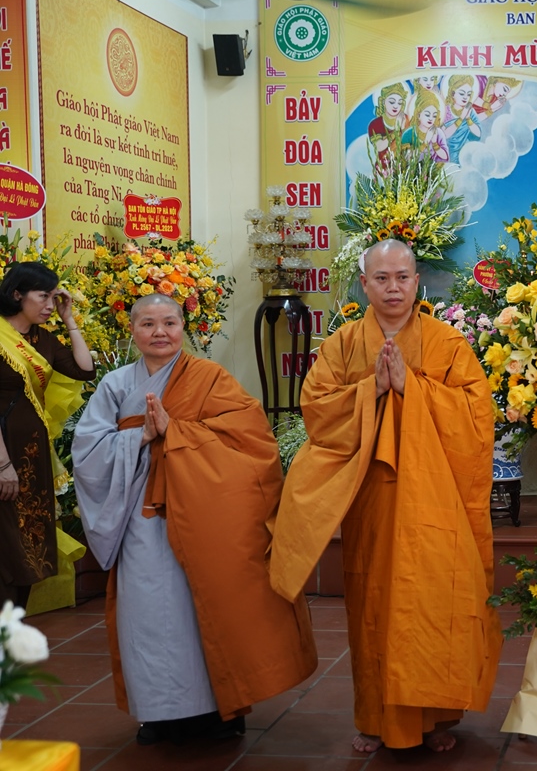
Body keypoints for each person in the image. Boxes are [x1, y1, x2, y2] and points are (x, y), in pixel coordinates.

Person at [268, 240, 501, 755]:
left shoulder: (446, 343)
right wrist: (369, 390)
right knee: (374, 605)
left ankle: (438, 718)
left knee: (436, 600)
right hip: (373, 495)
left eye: (401, 277)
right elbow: (316, 409)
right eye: (381, 278)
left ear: (417, 282)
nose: (392, 288)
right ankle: (375, 719)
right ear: (364, 284)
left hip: (436, 497)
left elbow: (476, 414)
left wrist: (413, 388)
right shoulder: (344, 344)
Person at [72, 294, 317, 745]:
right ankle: (160, 715)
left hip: (205, 519)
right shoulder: (114, 385)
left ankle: (219, 711)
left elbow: (252, 442)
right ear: (133, 330)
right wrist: (139, 437)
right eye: (148, 324)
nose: (159, 332)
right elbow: (87, 453)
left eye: (169, 322)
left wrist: (176, 432)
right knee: (148, 618)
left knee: (206, 612)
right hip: (143, 522)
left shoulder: (210, 378)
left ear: (183, 327)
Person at [0, 262, 94, 609]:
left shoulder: (42, 339)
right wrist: (2, 464)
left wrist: (70, 320)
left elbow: (84, 370)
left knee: (30, 541)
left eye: (55, 298)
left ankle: (12, 622)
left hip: (31, 455)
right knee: (6, 541)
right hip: (3, 454)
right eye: (43, 296)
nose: (50, 305)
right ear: (17, 294)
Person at [367, 83, 407, 179]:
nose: (396, 106)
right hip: (383, 171)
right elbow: (379, 146)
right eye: (392, 102)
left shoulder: (406, 120)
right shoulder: (375, 124)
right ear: (383, 102)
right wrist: (397, 131)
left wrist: (404, 129)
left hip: (404, 171)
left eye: (399, 103)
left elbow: (412, 145)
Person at [401, 87, 450, 162]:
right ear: (418, 115)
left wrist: (434, 144)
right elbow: (406, 159)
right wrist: (425, 143)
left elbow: (445, 157)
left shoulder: (438, 133)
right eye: (427, 115)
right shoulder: (409, 134)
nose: (431, 118)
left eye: (434, 116)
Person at [442, 74, 481, 164]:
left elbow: (478, 134)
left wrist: (468, 119)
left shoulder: (471, 112)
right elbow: (444, 135)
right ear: (453, 93)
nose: (465, 97)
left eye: (468, 94)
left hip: (465, 154)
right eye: (462, 93)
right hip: (447, 154)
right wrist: (461, 118)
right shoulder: (446, 111)